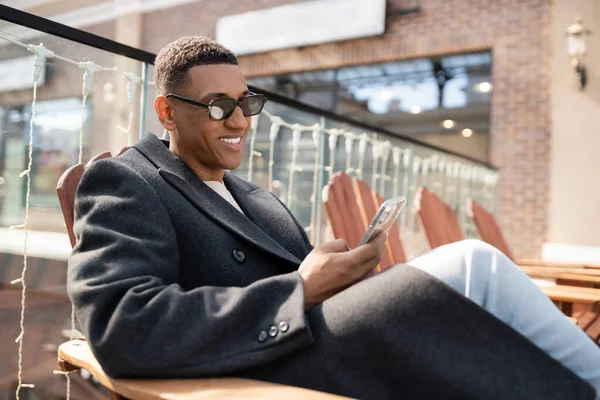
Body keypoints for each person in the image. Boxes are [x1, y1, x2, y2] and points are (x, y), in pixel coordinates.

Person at [67, 36, 600, 399]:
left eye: (245, 104)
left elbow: (314, 287)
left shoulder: (257, 198)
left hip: (317, 343)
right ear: (166, 111)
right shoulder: (127, 181)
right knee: (472, 266)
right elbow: (120, 324)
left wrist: (340, 279)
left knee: (470, 278)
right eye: (215, 106)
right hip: (260, 372)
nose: (237, 121)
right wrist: (298, 289)